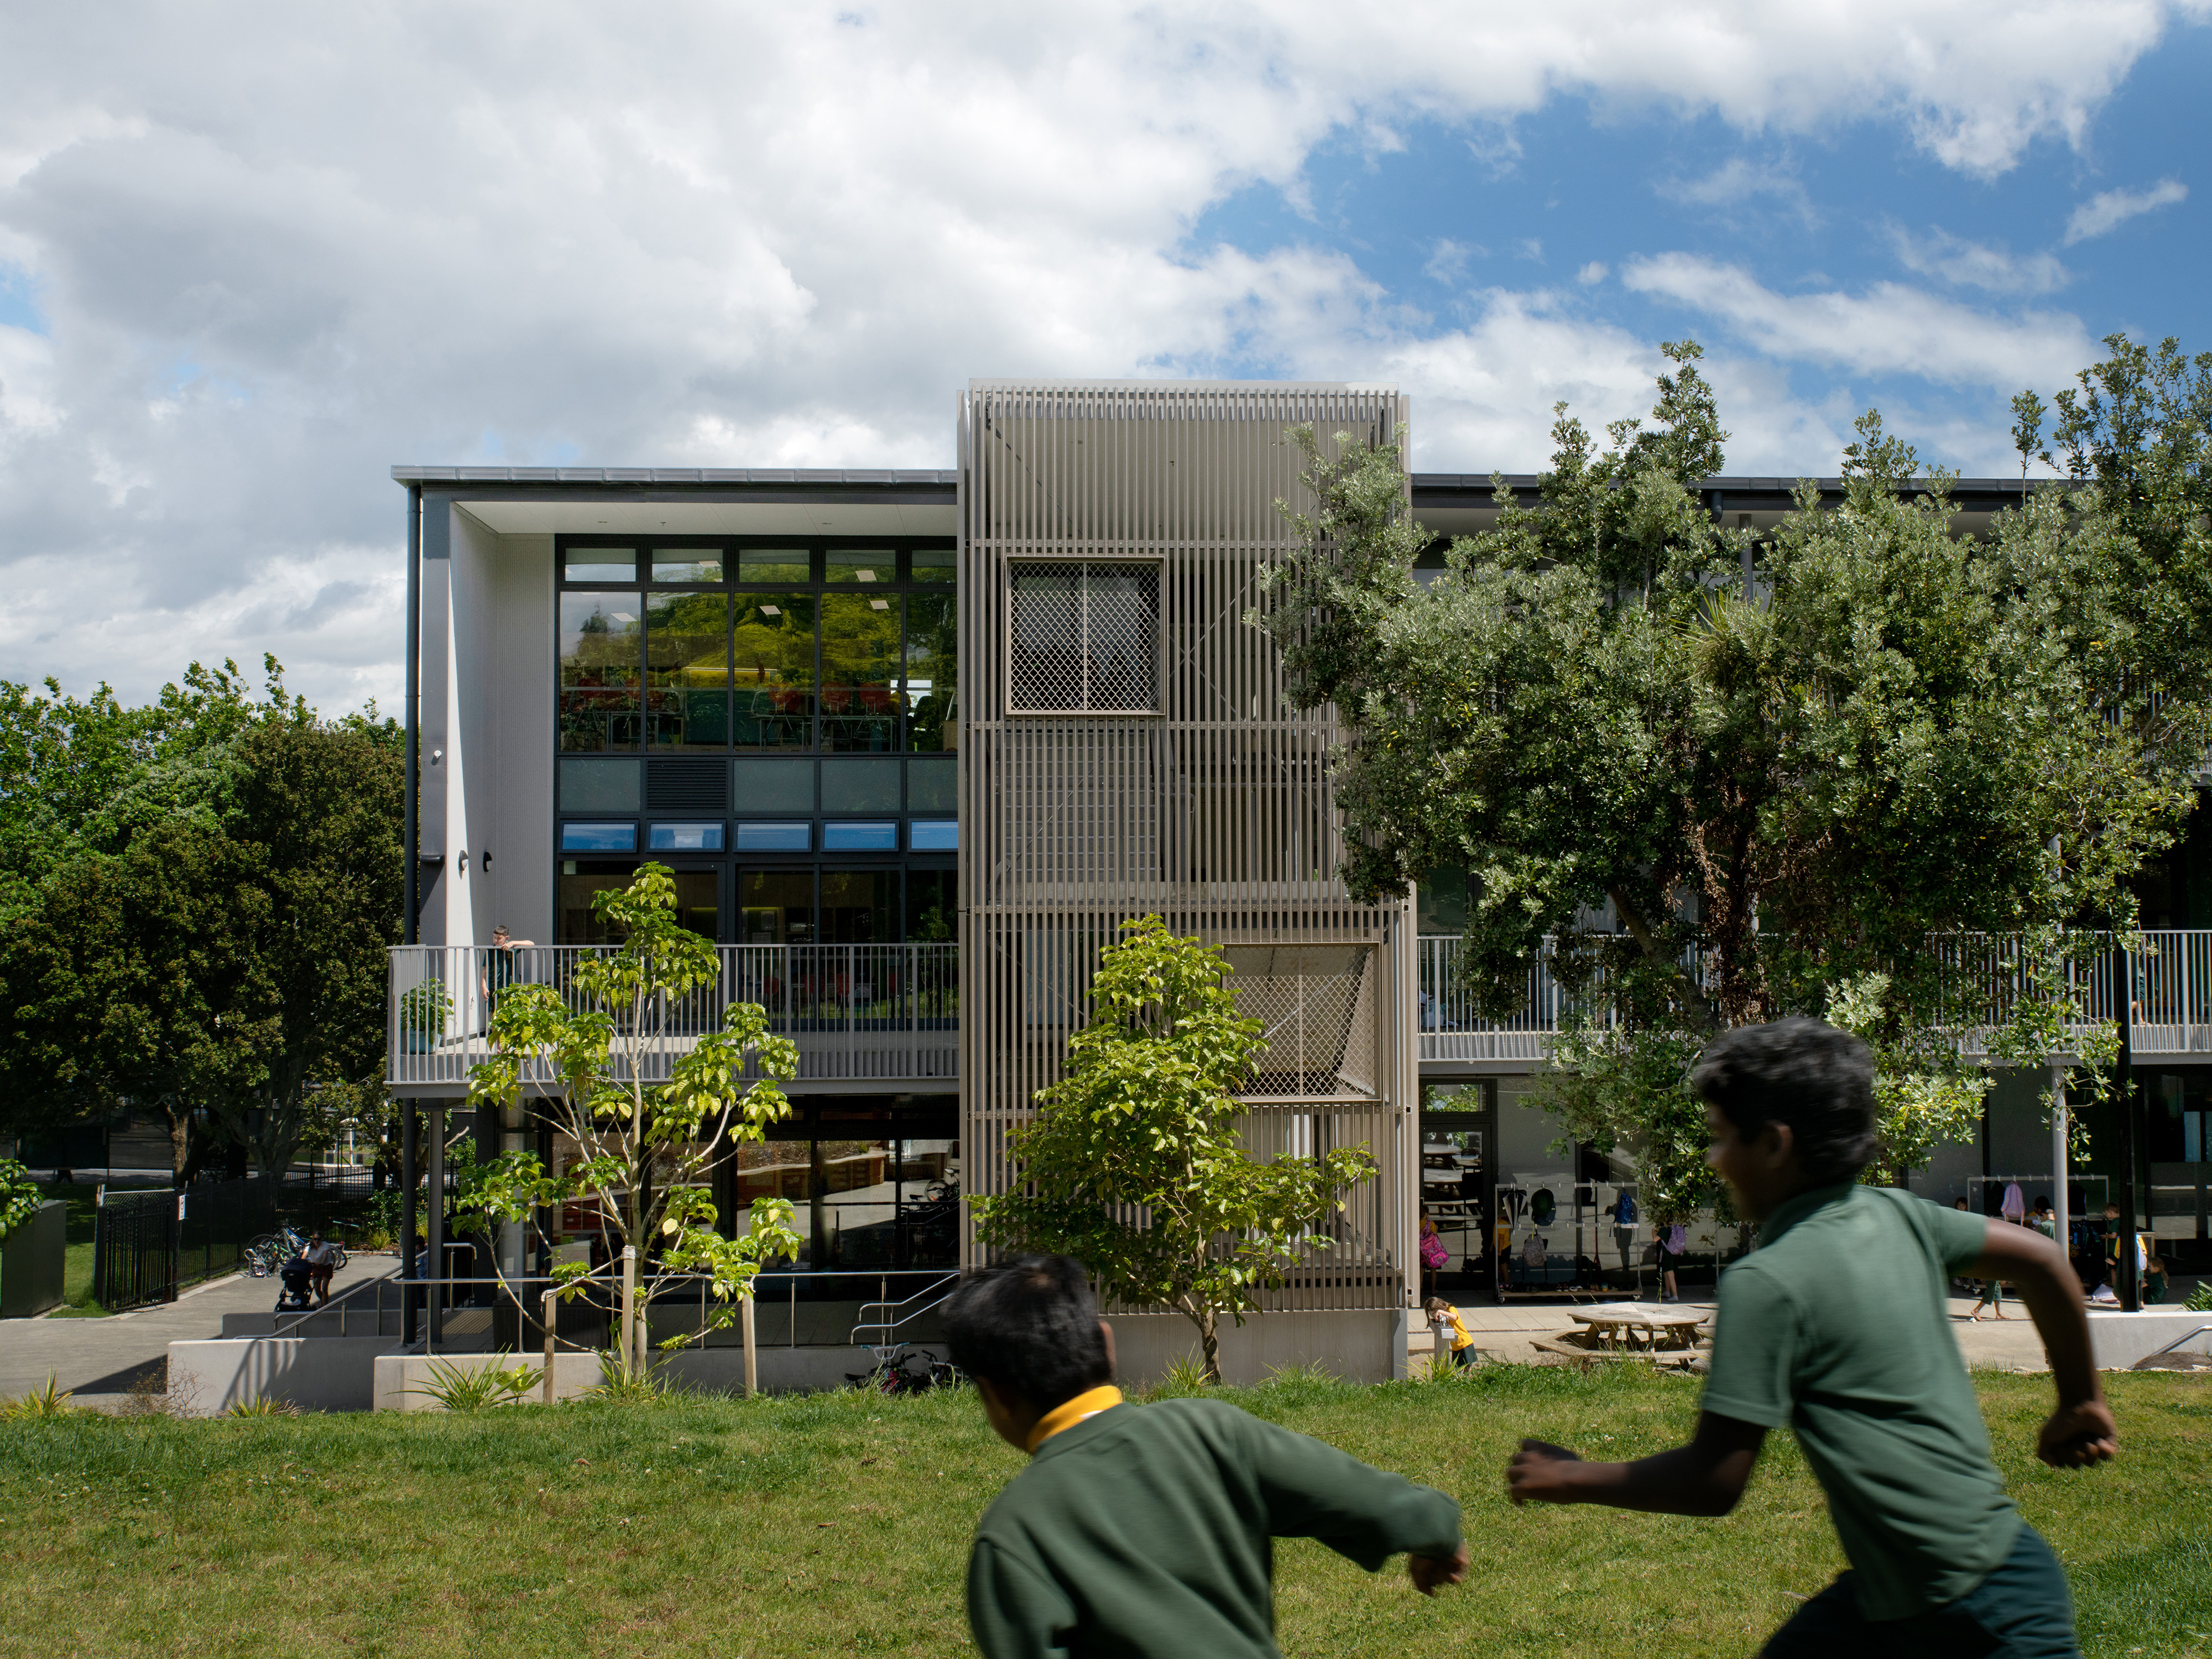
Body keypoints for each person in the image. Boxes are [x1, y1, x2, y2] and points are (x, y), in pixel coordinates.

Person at [1506, 1017, 2114, 1658]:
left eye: (1719, 1138)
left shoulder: (1768, 1282)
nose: (1713, 1161)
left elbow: (1712, 1480)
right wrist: (2079, 1400)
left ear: (1773, 1144)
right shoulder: (1899, 1215)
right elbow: (2043, 1261)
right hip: (1944, 1584)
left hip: (1973, 1612)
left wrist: (1572, 1476)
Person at [948, 1254, 1469, 1658]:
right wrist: (1437, 1531)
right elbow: (1373, 1501)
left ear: (995, 1395)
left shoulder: (1013, 1537)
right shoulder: (1211, 1431)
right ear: (1106, 1344)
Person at [1424, 1296, 1478, 1369]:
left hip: (1464, 1342)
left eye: (1435, 1313)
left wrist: (1440, 1312)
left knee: (1467, 1368)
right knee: (1459, 1369)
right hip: (1456, 1346)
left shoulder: (1451, 1309)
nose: (1435, 1315)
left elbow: (1454, 1317)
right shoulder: (1444, 1314)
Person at [1417, 1207, 1448, 1300]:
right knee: (1433, 1271)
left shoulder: (1417, 1224)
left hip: (1421, 1251)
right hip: (1431, 1252)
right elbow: (1434, 1236)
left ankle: (1419, 1288)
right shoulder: (1431, 1224)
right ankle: (1433, 1289)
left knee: (1421, 1271)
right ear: (1426, 1215)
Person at [301, 1230, 338, 1305]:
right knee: (317, 1289)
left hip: (326, 1267)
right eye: (315, 1239)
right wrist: (302, 1261)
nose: (317, 1241)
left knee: (324, 1288)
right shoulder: (310, 1246)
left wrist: (322, 1262)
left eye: (319, 1239)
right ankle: (323, 1302)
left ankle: (324, 1306)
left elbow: (325, 1255)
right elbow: (304, 1255)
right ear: (313, 1239)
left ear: (322, 1239)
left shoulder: (325, 1245)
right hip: (316, 1267)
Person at [1656, 1218, 1687, 1303]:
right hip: (1672, 1253)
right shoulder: (1673, 1229)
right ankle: (1667, 1292)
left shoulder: (1664, 1230)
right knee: (1666, 1273)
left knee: (1670, 1274)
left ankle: (1675, 1295)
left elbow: (1655, 1239)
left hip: (1666, 1255)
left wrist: (1653, 1231)